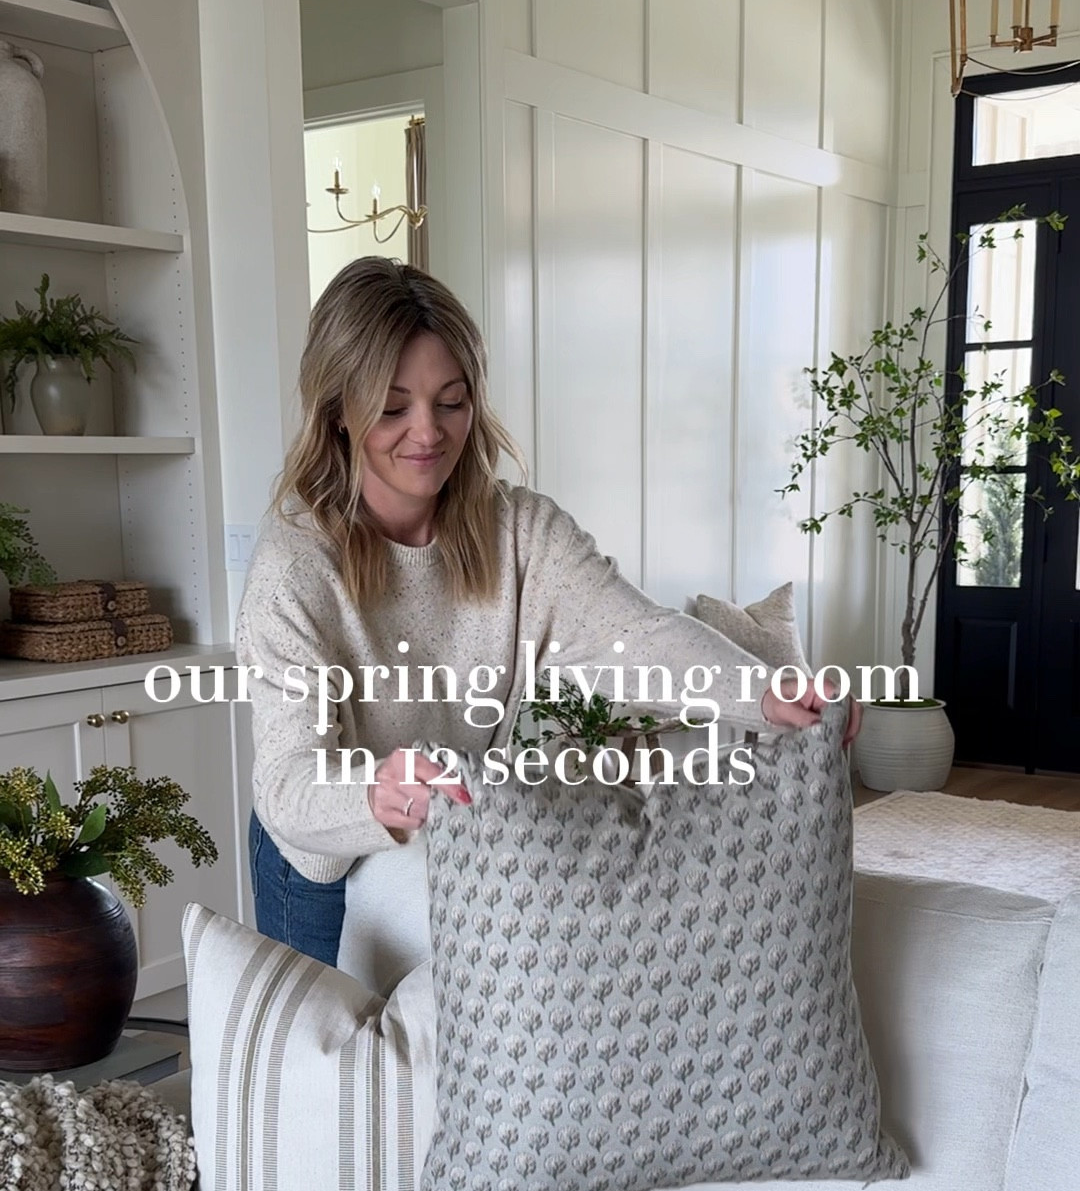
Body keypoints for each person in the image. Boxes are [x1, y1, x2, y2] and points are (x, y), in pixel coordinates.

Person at [236, 258, 860, 966]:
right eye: (391, 406)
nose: (429, 433)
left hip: (455, 831)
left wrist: (768, 693)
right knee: (322, 1063)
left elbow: (636, 635)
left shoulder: (519, 532)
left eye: (451, 400)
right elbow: (288, 782)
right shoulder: (294, 566)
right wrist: (377, 792)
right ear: (338, 411)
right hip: (318, 861)